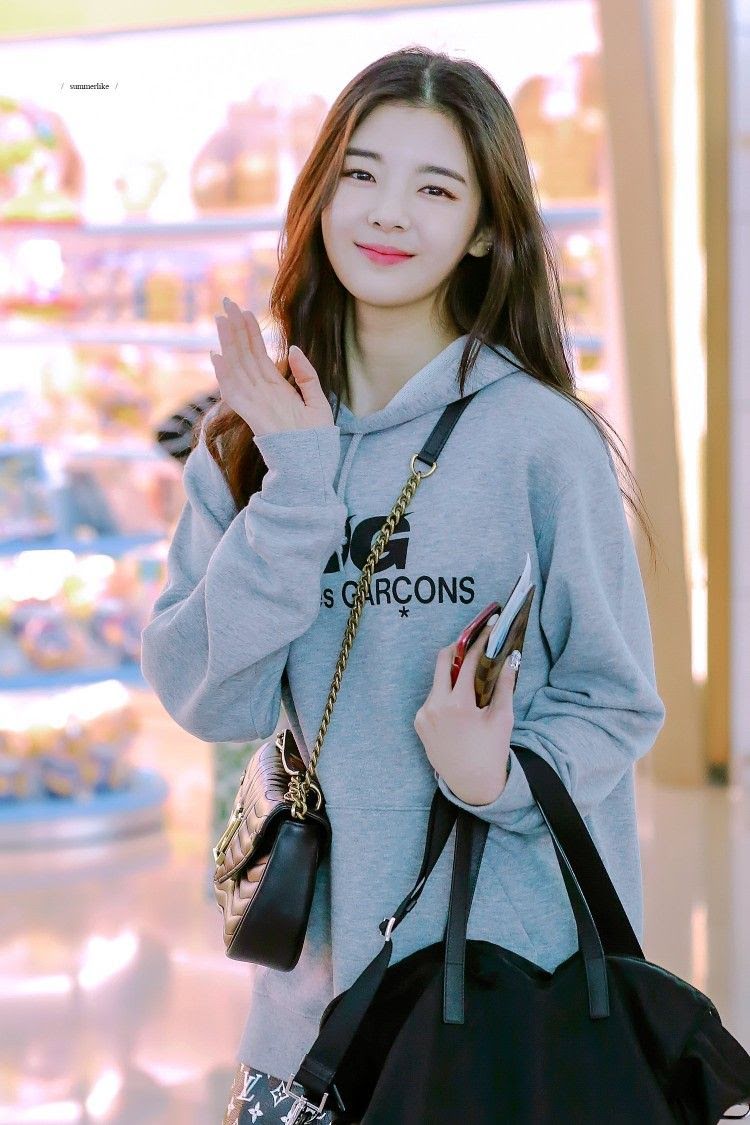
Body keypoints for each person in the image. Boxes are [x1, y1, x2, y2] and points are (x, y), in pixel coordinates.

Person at [140, 46, 666, 1121]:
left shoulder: (540, 441)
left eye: (436, 187)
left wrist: (494, 774)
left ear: (482, 228)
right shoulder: (247, 439)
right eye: (362, 173)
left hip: (502, 993)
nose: (388, 211)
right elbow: (209, 695)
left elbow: (616, 699)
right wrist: (299, 485)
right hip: (310, 1017)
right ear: (321, 194)